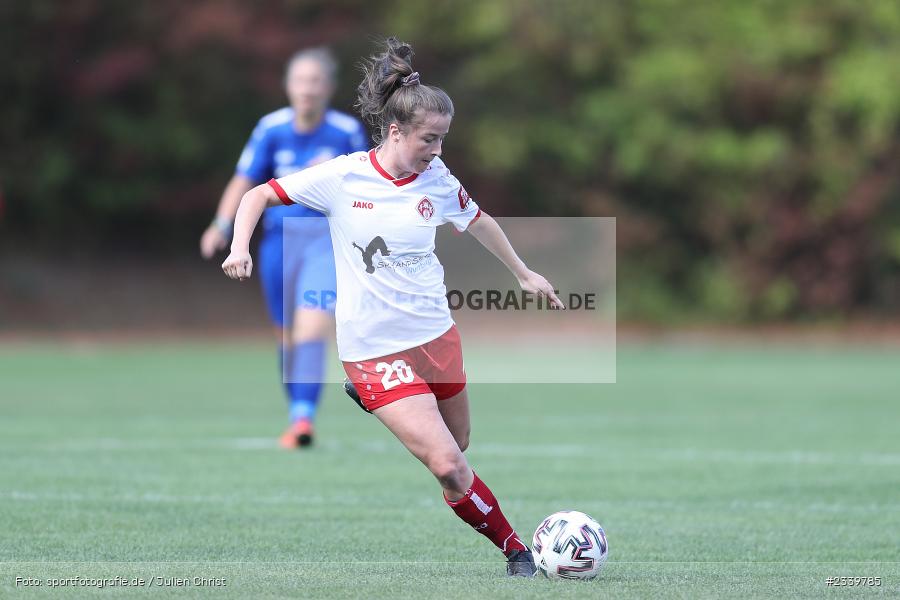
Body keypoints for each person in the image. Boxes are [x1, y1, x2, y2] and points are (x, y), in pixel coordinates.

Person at [222, 37, 564, 577]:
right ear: (396, 131)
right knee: (448, 466)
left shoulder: (437, 179)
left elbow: (479, 222)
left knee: (459, 445)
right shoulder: (343, 176)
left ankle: (373, 398)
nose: (438, 150)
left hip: (435, 335)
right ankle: (517, 550)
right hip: (373, 347)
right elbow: (257, 194)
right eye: (430, 139)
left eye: (444, 138)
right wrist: (239, 246)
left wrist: (523, 273)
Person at [201, 48, 367, 448]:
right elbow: (245, 180)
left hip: (325, 243)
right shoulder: (271, 129)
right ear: (288, 86)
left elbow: (365, 187)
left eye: (316, 81)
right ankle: (297, 412)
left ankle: (303, 419)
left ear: (328, 87)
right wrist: (222, 224)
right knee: (286, 336)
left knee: (312, 326)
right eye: (300, 80)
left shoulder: (345, 132)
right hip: (278, 243)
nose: (307, 89)